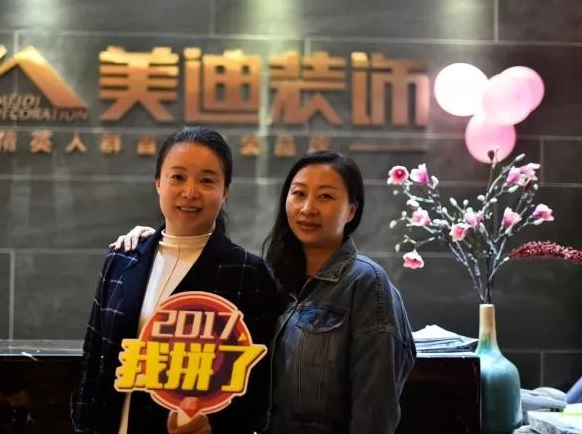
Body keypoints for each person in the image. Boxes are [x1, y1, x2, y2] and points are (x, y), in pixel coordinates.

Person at [113, 150, 416, 434]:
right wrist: (157, 242)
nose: (307, 208)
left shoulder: (366, 284)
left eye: (325, 196)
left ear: (351, 210)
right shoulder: (271, 277)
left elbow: (376, 410)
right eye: (298, 194)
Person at [72, 126, 282, 434]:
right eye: (178, 177)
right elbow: (93, 361)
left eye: (207, 180)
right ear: (158, 182)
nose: (190, 192)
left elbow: (260, 384)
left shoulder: (248, 273)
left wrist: (214, 426)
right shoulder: (122, 260)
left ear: (225, 191)